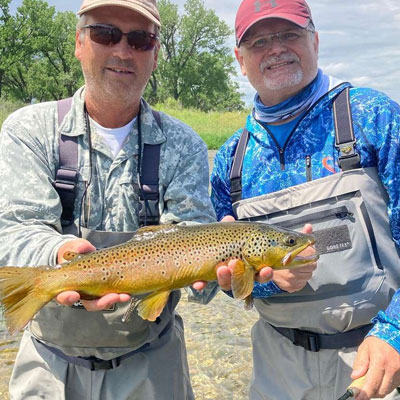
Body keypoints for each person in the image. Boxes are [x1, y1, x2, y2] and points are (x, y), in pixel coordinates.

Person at [0, 0, 217, 399]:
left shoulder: (185, 145)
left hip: (154, 361)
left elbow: (200, 258)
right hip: (49, 363)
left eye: (140, 39)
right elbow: (14, 230)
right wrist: (59, 251)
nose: (122, 50)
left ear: (154, 57)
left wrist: (217, 277)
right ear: (79, 42)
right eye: (105, 34)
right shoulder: (28, 129)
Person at [211, 0, 400, 399]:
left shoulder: (374, 117)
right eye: (259, 41)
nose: (276, 48)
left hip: (378, 358)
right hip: (276, 365)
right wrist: (269, 284)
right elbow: (228, 280)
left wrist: (396, 331)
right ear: (240, 60)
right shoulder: (230, 159)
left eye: (289, 34)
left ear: (315, 40)